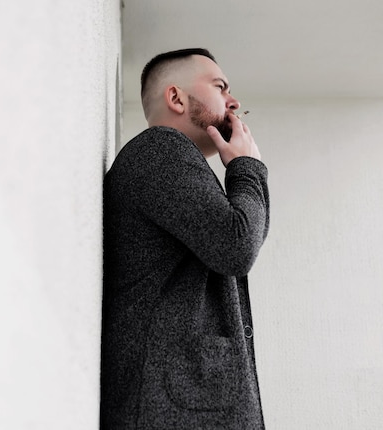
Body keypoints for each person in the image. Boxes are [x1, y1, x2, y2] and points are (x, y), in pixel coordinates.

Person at [100, 48, 270, 430]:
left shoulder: (167, 162)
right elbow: (236, 244)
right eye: (219, 86)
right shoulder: (161, 149)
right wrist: (248, 168)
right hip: (173, 410)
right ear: (176, 98)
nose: (234, 101)